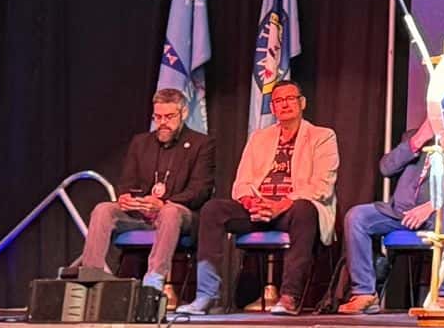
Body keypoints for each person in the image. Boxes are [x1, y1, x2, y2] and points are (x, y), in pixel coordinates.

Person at [179, 81, 339, 315]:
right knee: (213, 210)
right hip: (258, 209)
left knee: (305, 209)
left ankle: (289, 296)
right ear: (272, 109)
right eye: (278, 101)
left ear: (302, 103)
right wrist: (250, 202)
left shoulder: (322, 136)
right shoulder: (259, 138)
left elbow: (322, 186)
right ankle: (206, 294)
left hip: (292, 210)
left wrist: (280, 205)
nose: (284, 105)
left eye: (290, 99)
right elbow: (241, 182)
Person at [74, 88, 214, 298]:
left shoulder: (201, 144)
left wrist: (164, 203)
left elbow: (200, 190)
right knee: (104, 209)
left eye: (169, 116)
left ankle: (153, 281)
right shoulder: (141, 142)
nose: (163, 122)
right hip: (141, 213)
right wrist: (127, 198)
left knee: (170, 212)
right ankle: (91, 276)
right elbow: (127, 183)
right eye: (158, 117)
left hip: (181, 215)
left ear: (183, 113)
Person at [337, 117, 444, 314]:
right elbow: (386, 168)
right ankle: (364, 293)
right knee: (357, 217)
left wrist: (432, 205)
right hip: (399, 212)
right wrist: (418, 139)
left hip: (438, 210)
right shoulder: (414, 136)